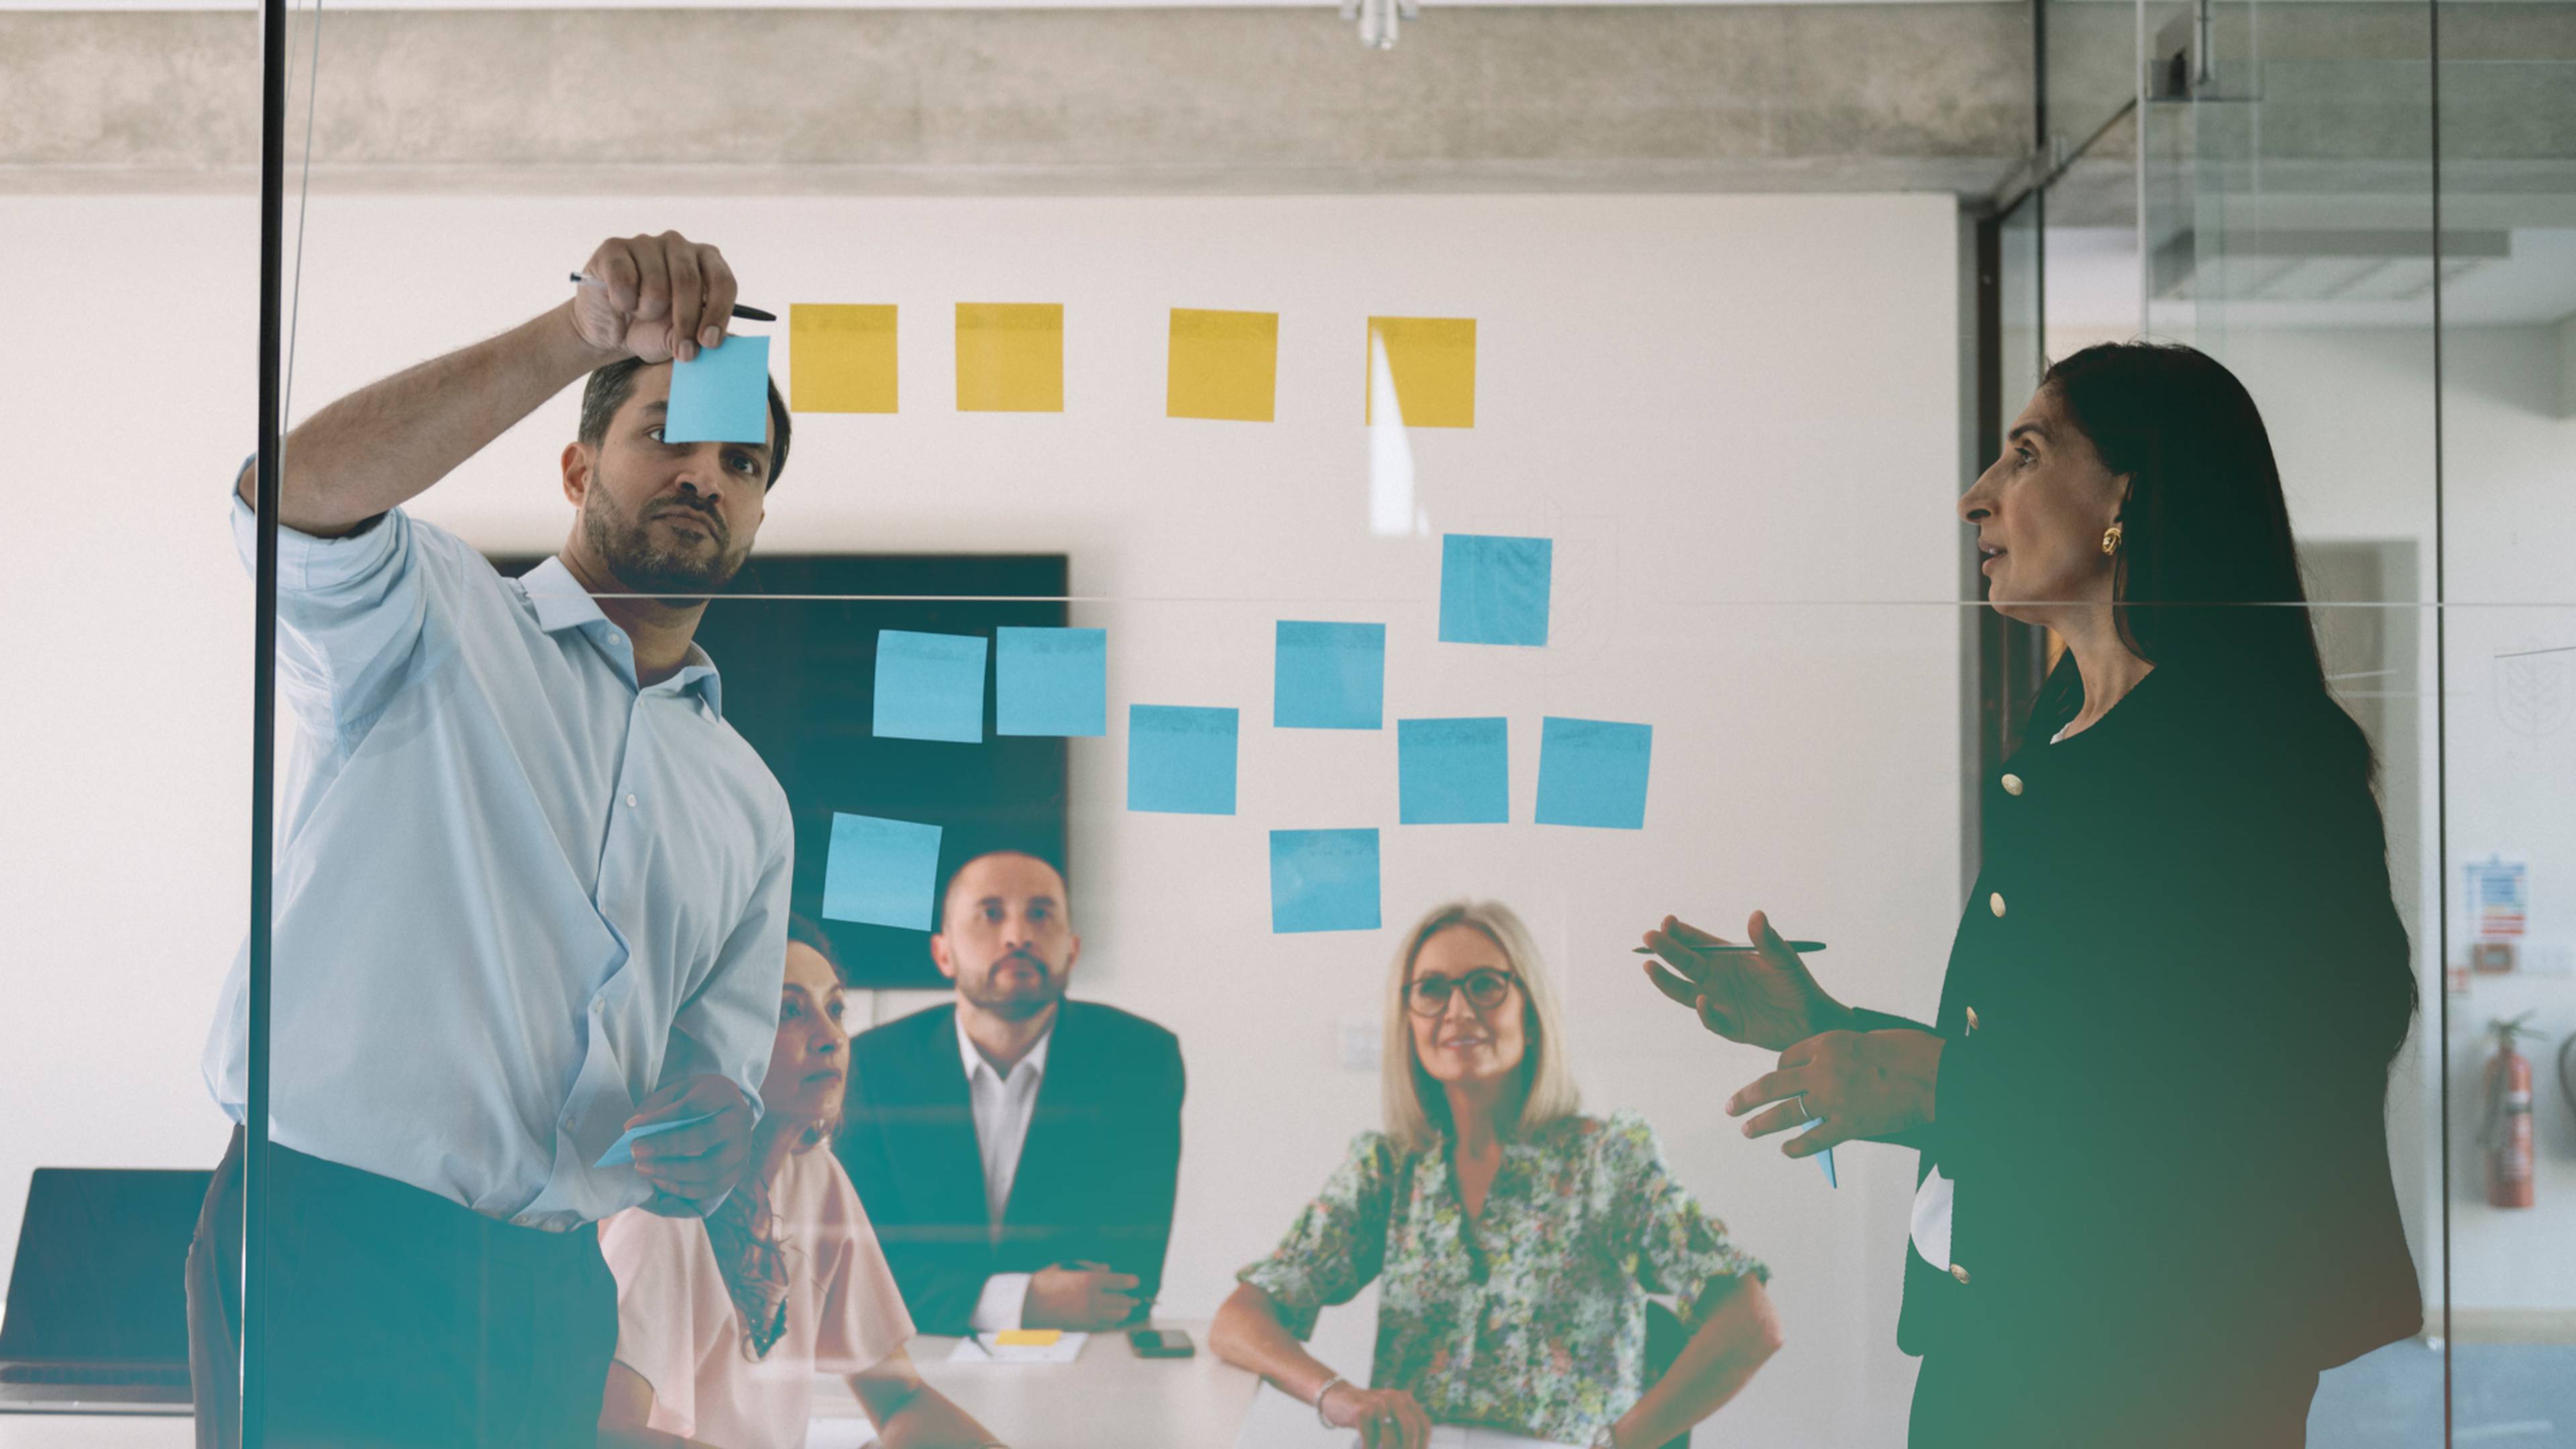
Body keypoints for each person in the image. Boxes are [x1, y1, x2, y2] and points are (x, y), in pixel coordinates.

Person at [1639, 341, 2422, 1448]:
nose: (1976, 499)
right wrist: (1827, 1029)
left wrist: (1955, 1084)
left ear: (2127, 497)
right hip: (2002, 1336)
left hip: (2157, 1367)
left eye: (2024, 455)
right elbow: (2080, 1055)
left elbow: (2294, 1068)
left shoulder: (2253, 757)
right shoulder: (2061, 746)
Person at [187, 231, 798, 1448]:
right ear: (577, 469)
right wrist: (580, 333)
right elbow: (290, 494)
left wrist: (719, 1133)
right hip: (330, 1238)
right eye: (665, 436)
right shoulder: (432, 617)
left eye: (742, 462)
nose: (705, 477)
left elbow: (714, 1076)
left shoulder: (749, 801)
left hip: (555, 1281)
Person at [1214, 900, 1782, 1449]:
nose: (1458, 1011)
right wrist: (1337, 1398)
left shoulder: (1606, 1160)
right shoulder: (1389, 1169)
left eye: (1485, 985)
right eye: (1432, 990)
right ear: (1407, 1020)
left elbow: (1751, 1323)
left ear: (1530, 1014)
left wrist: (1617, 1445)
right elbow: (1238, 1321)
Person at [598, 918, 1007, 1449]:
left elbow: (902, 1400)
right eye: (790, 1011)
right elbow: (606, 1435)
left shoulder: (816, 1176)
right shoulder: (663, 1206)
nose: (831, 1037)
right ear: (712, 1036)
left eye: (835, 1009)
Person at [835, 850, 1185, 1335]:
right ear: (943, 953)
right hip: (921, 1358)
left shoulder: (1142, 1060)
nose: (1018, 936)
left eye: (1041, 914)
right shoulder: (872, 1066)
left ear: (1072, 949)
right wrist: (1020, 1301)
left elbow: (1127, 1275)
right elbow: (858, 1266)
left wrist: (963, 1294)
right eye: (990, 913)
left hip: (1083, 1360)